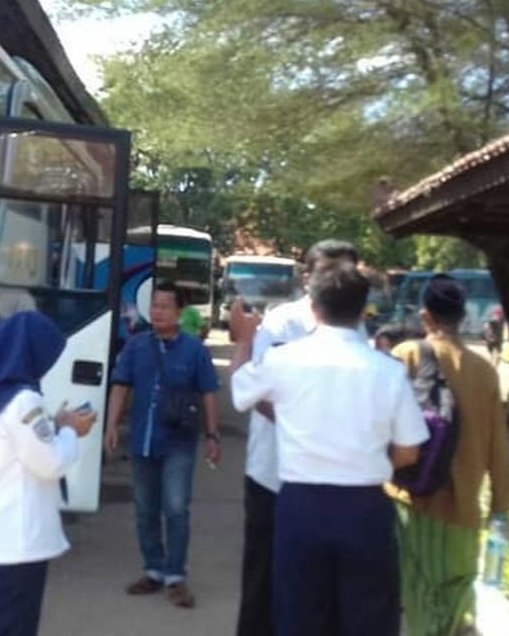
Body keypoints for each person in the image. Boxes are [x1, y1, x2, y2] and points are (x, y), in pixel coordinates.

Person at [231, 262, 429, 636]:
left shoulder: (284, 360)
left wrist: (244, 338)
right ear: (362, 310)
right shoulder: (387, 371)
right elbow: (409, 452)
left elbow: (241, 392)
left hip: (300, 506)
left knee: (299, 615)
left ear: (315, 307)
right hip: (365, 507)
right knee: (367, 617)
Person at [232, 238, 363, 636]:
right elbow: (257, 395)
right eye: (330, 271)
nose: (338, 281)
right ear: (308, 277)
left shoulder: (359, 327)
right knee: (263, 580)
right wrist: (312, 427)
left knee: (316, 589)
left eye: (348, 273)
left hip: (330, 482)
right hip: (274, 476)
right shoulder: (280, 323)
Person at [0, 311, 98, 636]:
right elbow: (50, 463)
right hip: (15, 543)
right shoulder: (22, 401)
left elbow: (16, 449)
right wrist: (70, 430)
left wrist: (55, 425)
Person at [389, 274, 509, 636]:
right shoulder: (485, 372)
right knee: (457, 599)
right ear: (462, 317)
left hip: (409, 504)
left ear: (426, 316)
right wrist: (502, 507)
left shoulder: (406, 355)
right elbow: (499, 447)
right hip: (462, 511)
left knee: (416, 598)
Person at [104, 282, 220, 608]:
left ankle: (175, 577)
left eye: (165, 306)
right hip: (143, 440)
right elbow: (120, 386)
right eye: (154, 305)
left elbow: (209, 391)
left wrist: (212, 435)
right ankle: (153, 569)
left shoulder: (194, 350)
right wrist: (111, 425)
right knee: (145, 509)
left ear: (179, 313)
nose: (157, 312)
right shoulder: (137, 346)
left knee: (176, 508)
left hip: (179, 443)